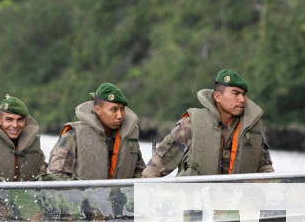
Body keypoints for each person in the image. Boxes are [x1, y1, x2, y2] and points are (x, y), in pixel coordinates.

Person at [142, 68, 273, 177]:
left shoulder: (252, 129)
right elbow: (154, 169)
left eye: (244, 94)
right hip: (195, 205)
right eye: (236, 93)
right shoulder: (190, 125)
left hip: (236, 205)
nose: (242, 99)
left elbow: (266, 172)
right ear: (217, 97)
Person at [45, 83, 145, 180]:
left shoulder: (129, 137)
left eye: (122, 109)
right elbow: (54, 176)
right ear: (97, 109)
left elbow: (140, 173)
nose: (120, 115)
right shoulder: (73, 135)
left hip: (119, 197)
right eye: (113, 110)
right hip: (81, 196)